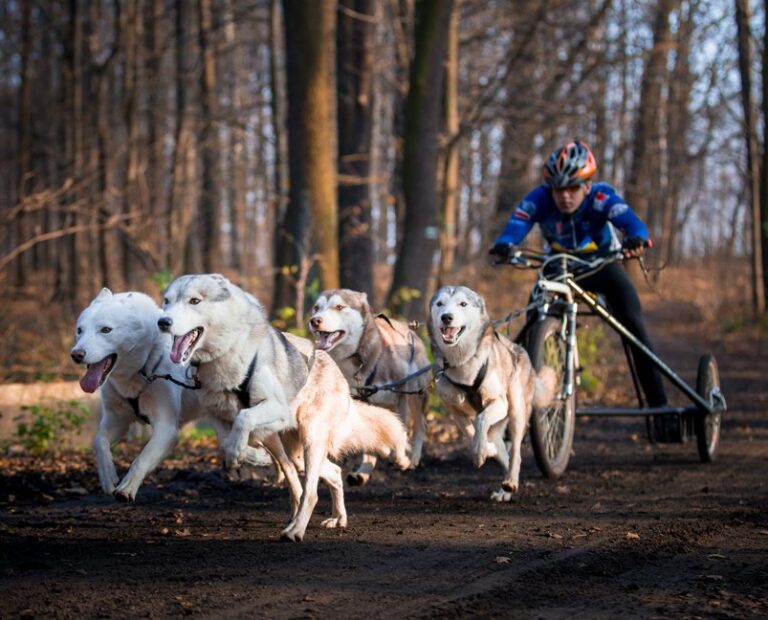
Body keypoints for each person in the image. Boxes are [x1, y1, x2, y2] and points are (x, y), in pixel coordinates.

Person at [489, 140, 672, 438]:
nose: (564, 196)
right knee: (532, 324)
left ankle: (661, 409)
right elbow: (518, 222)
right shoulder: (540, 198)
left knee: (634, 328)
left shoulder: (602, 197)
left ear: (587, 186)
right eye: (558, 189)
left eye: (572, 188)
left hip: (603, 266)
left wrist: (637, 237)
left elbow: (630, 221)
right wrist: (505, 244)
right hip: (558, 268)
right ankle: (515, 408)